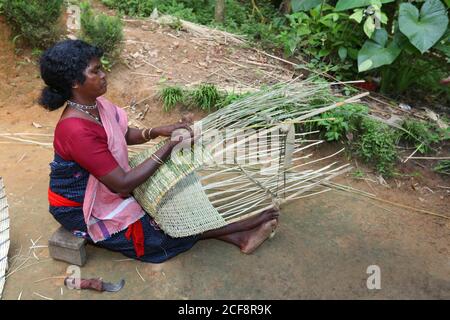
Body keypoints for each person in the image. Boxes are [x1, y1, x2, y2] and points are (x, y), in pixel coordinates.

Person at [39, 39, 279, 263]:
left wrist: (158, 131)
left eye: (101, 68)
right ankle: (241, 226)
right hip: (83, 206)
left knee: (170, 204)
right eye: (95, 71)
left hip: (110, 185)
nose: (104, 75)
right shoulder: (75, 129)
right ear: (74, 82)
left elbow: (121, 134)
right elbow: (122, 185)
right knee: (156, 234)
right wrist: (170, 146)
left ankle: (240, 237)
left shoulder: (94, 105)